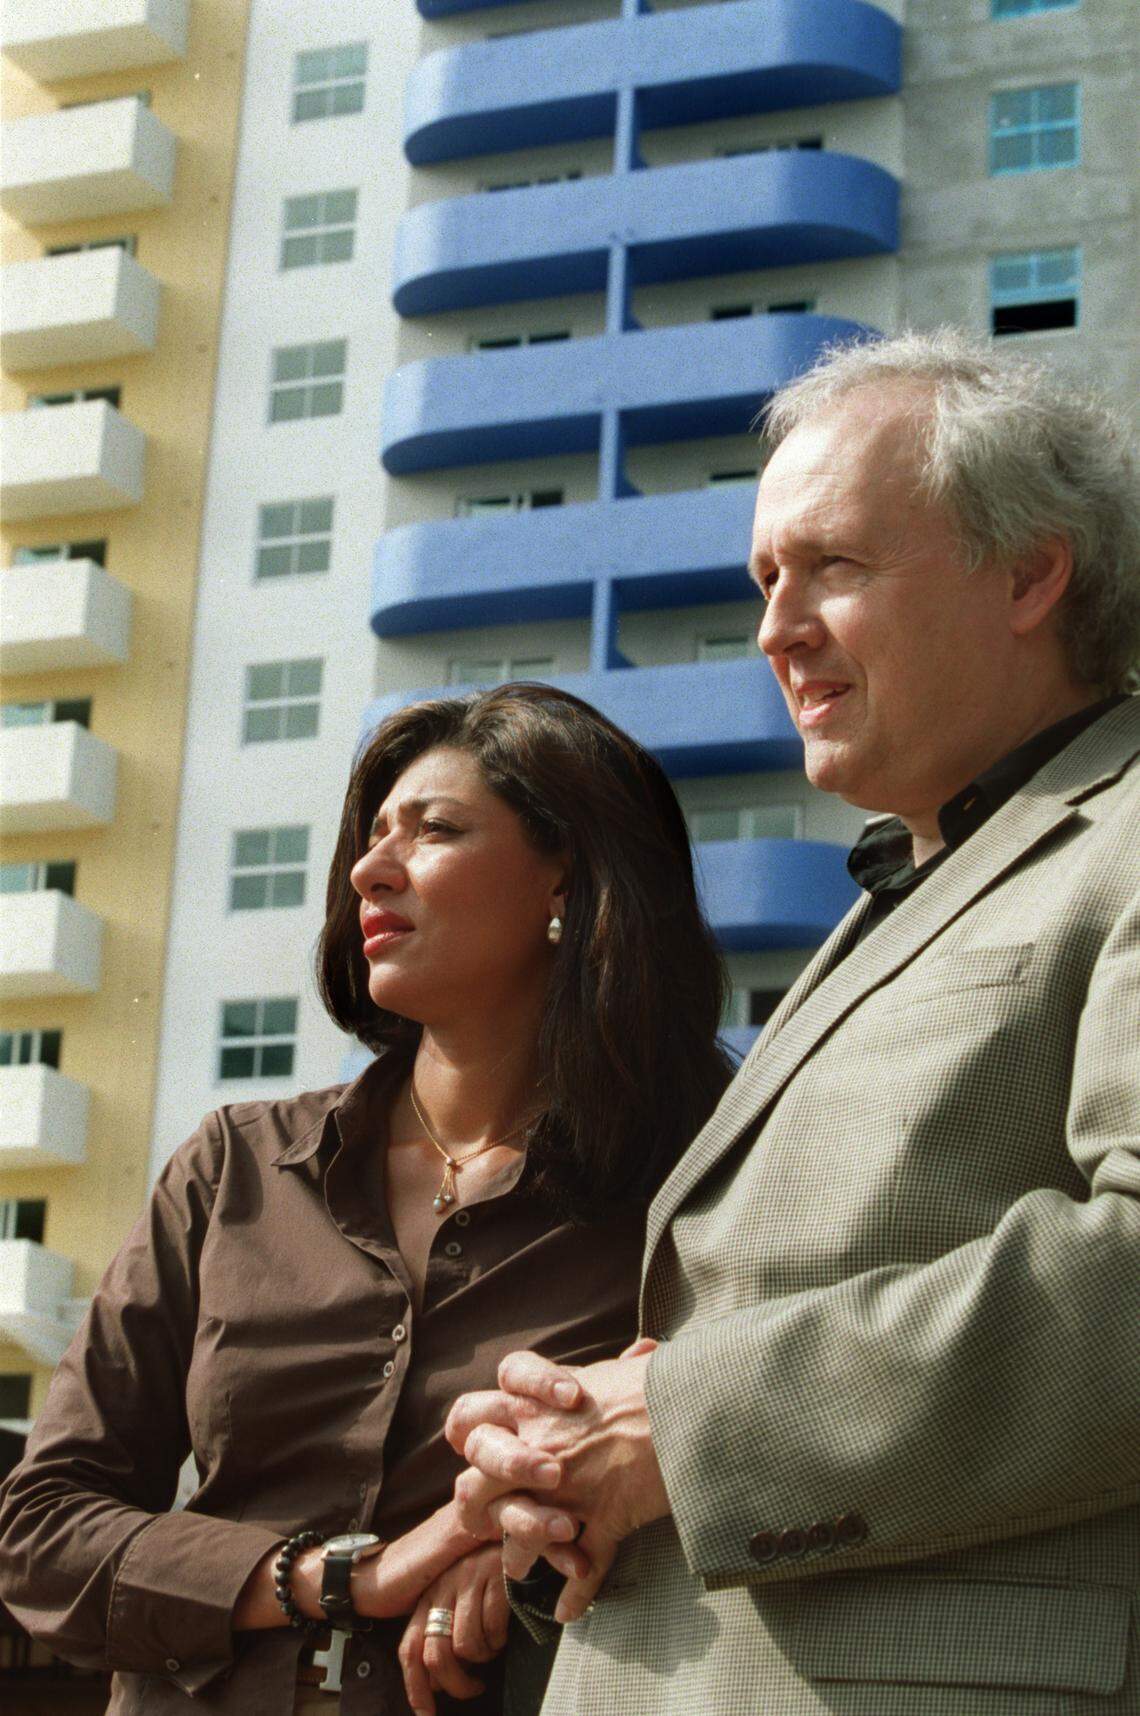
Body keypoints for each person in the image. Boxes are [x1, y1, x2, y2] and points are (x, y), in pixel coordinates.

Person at [445, 330, 1140, 1714]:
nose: (775, 627)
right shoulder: (906, 881)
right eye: (765, 578)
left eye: (833, 566)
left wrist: (682, 1432)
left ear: (1031, 571)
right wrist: (567, 1466)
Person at [0, 683, 731, 1716]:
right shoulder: (234, 1168)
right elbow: (40, 1529)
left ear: (568, 875)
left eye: (434, 830)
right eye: (372, 834)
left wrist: (528, 1542)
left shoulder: (701, 1168)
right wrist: (343, 1575)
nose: (369, 868)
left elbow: (738, 1425)